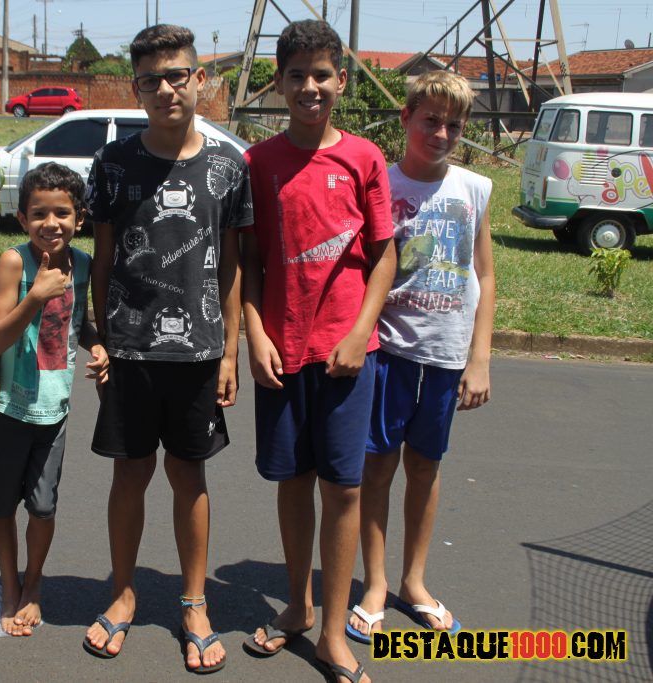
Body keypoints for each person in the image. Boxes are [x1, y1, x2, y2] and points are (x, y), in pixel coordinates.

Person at [81, 23, 253, 675]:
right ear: (136, 88)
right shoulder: (113, 164)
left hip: (199, 354)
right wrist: (100, 337)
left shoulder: (227, 167)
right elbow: (101, 261)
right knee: (129, 475)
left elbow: (232, 267)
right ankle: (122, 593)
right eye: (151, 80)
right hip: (129, 351)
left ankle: (194, 603)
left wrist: (230, 352)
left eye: (177, 75)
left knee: (189, 476)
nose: (165, 89)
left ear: (199, 79)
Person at [240, 19, 396, 683]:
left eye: (322, 74)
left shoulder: (364, 158)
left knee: (344, 488)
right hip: (281, 353)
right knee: (292, 482)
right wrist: (253, 333)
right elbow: (249, 262)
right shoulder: (258, 163)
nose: (311, 86)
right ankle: (299, 606)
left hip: (347, 355)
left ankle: (333, 633)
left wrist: (360, 332)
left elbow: (384, 256)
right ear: (278, 82)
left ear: (342, 80)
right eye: (297, 74)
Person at [346, 70, 494, 645]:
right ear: (406, 117)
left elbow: (485, 276)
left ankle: (414, 581)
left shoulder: (475, 188)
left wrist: (480, 359)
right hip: (388, 351)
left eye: (454, 125)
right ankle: (376, 583)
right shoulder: (380, 184)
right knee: (377, 468)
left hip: (447, 355)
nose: (442, 133)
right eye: (431, 120)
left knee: (426, 468)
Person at [0, 162, 109, 637]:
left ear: (80, 218)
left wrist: (97, 344)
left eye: (62, 213)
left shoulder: (84, 264)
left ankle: (33, 583)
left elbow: (74, 323)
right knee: (1, 506)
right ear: (22, 218)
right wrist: (34, 296)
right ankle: (9, 585)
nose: (50, 223)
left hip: (54, 411)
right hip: (8, 410)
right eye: (38, 214)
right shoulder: (14, 262)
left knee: (42, 507)